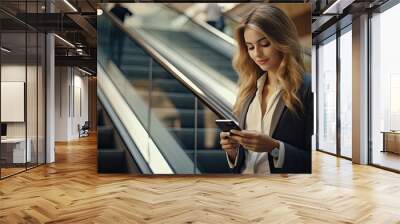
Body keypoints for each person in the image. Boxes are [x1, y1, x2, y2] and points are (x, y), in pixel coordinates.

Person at [219, 5, 312, 174]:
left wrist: (275, 148)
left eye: (264, 44)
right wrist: (233, 151)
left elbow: (319, 161)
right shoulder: (248, 91)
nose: (257, 54)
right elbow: (246, 160)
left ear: (282, 40)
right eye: (250, 47)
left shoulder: (308, 89)